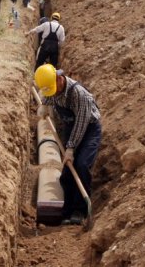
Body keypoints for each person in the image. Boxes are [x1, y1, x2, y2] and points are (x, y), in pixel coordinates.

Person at [34, 63, 102, 225]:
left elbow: (81, 124)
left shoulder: (79, 95)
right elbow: (48, 96)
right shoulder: (53, 87)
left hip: (88, 130)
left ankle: (80, 210)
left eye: (53, 88)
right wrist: (44, 106)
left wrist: (70, 148)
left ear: (60, 79)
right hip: (70, 127)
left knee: (81, 165)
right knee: (66, 175)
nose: (53, 92)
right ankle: (67, 209)